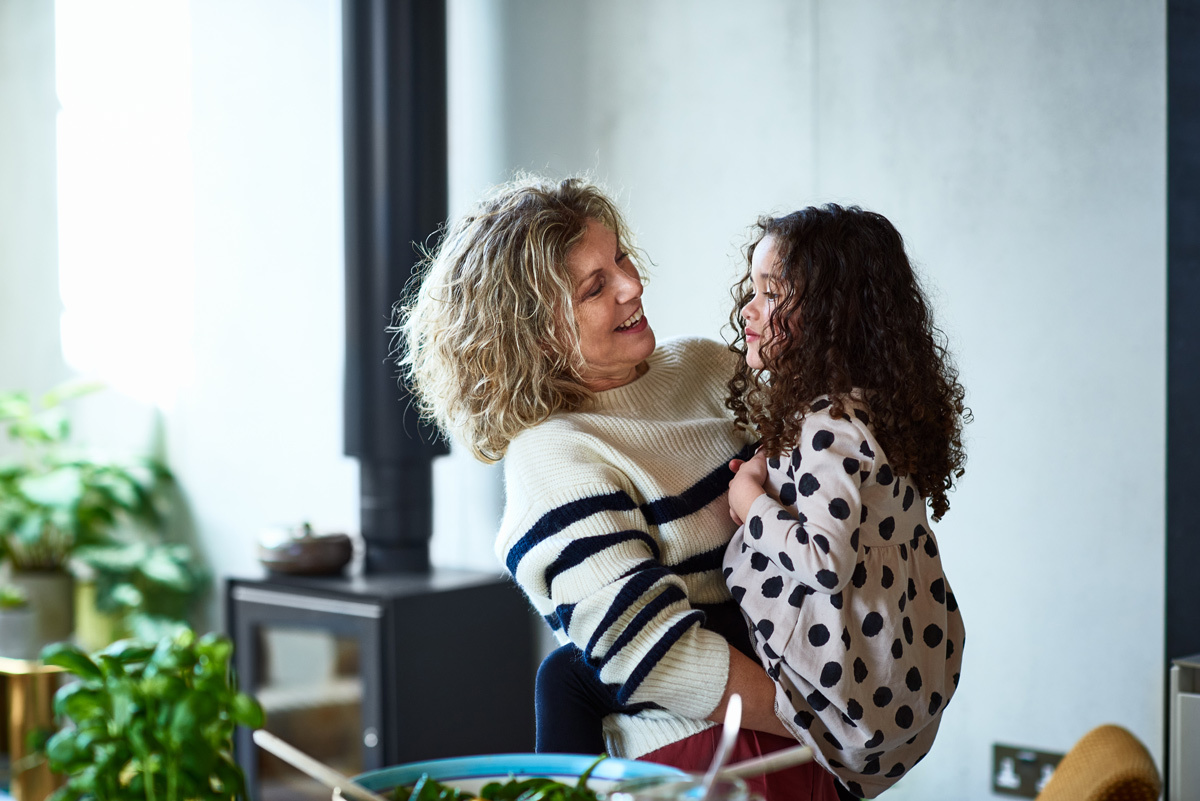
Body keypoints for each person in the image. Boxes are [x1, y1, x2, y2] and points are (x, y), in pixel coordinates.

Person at [398, 175, 841, 800]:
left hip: (803, 716)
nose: (633, 286)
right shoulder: (553, 455)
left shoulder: (709, 366)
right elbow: (659, 656)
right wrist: (829, 727)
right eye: (594, 286)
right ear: (536, 332)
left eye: (620, 259)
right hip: (705, 758)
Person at [723, 204, 969, 798]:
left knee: (572, 678)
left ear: (832, 316)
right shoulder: (879, 407)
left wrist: (749, 499)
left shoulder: (827, 424)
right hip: (900, 663)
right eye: (751, 290)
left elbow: (823, 562)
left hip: (841, 675)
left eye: (772, 294)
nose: (748, 312)